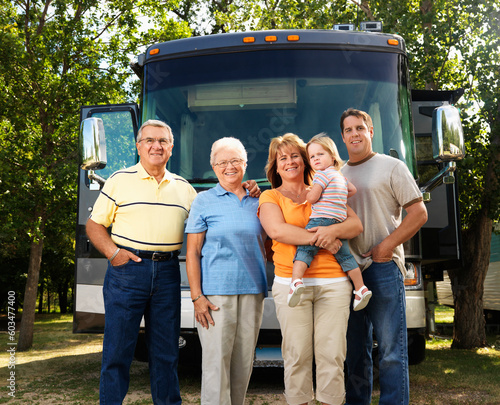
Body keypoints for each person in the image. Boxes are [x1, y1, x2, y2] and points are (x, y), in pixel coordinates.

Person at [86, 120, 260, 404]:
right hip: (128, 271)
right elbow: (94, 226)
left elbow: (217, 208)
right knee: (118, 352)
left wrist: (247, 187)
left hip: (167, 272)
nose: (157, 146)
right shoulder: (119, 179)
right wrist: (113, 253)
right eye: (150, 140)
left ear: (171, 148)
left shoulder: (185, 189)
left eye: (163, 141)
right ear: (139, 146)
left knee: (166, 353)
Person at [258, 133, 363, 405]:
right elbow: (277, 230)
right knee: (297, 355)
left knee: (332, 355)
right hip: (291, 284)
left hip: (334, 285)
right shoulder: (270, 195)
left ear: (305, 162)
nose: (290, 162)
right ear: (276, 166)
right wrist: (325, 237)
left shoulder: (325, 187)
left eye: (295, 156)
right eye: (283, 158)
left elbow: (355, 226)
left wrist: (331, 230)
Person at [340, 109, 428, 405]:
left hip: (382, 267)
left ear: (371, 131)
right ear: (343, 136)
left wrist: (386, 246)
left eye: (360, 128)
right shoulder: (336, 174)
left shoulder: (392, 167)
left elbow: (419, 213)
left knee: (391, 351)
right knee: (355, 352)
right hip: (349, 274)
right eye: (349, 129)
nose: (355, 134)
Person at [185, 137, 267, 405]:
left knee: (243, 364)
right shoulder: (203, 201)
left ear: (245, 164)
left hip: (253, 291)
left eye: (235, 161)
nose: (229, 167)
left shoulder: (261, 200)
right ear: (213, 166)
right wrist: (197, 297)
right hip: (215, 297)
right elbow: (193, 252)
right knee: (215, 365)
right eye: (222, 162)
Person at [288, 133, 372, 310]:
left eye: (320, 154)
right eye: (312, 156)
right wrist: (337, 196)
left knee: (305, 250)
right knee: (346, 257)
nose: (316, 159)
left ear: (332, 157)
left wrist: (309, 194)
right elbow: (353, 190)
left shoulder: (320, 176)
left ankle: (296, 281)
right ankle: (360, 288)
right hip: (338, 221)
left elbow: (312, 198)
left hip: (321, 219)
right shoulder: (341, 177)